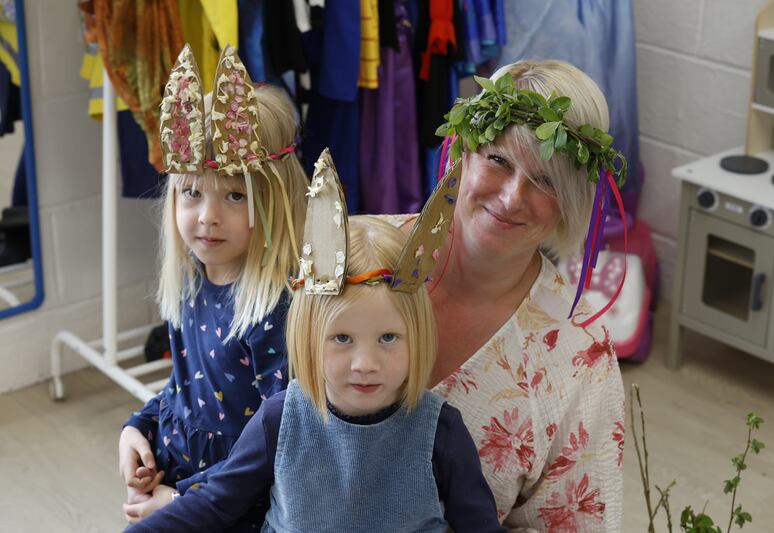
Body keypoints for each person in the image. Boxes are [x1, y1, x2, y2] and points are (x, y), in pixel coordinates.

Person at [127, 216, 506, 533]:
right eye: (342, 338)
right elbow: (216, 502)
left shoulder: (440, 430)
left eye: (388, 338)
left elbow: (481, 528)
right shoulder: (280, 419)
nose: (365, 363)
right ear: (310, 338)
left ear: (417, 336)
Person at [396, 59, 627, 531]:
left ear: (571, 202)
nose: (511, 198)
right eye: (499, 161)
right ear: (464, 152)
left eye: (545, 181)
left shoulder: (579, 358)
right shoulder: (363, 258)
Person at [119, 46, 308, 527]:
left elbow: (279, 443)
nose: (208, 216)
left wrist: (182, 501)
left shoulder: (275, 310)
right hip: (177, 478)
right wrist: (138, 427)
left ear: (276, 199)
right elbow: (187, 387)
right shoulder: (192, 282)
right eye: (192, 192)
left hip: (231, 507)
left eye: (235, 195)